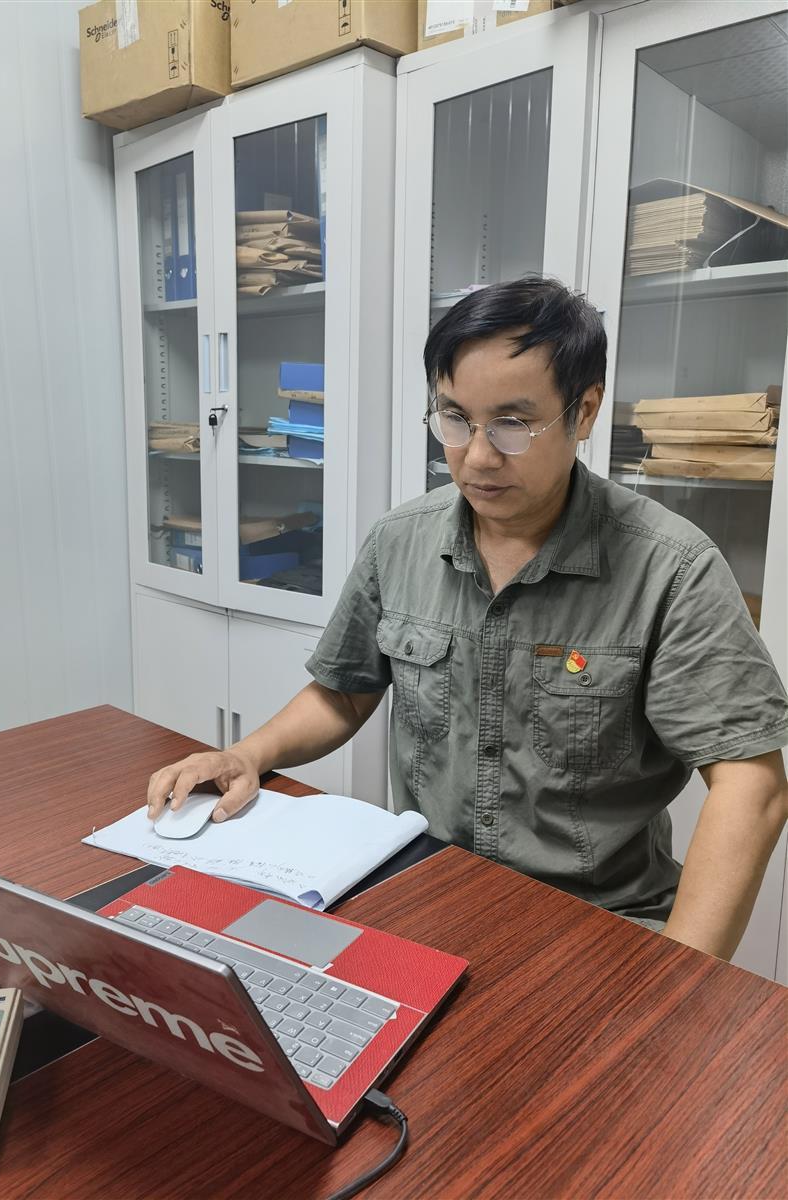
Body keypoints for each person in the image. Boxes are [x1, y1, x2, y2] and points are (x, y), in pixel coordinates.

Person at [147, 276, 788, 962]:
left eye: (513, 424)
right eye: (455, 419)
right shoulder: (400, 541)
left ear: (584, 411)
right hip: (427, 897)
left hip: (598, 924)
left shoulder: (672, 567)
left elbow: (751, 784)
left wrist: (681, 979)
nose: (477, 456)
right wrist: (247, 755)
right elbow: (343, 693)